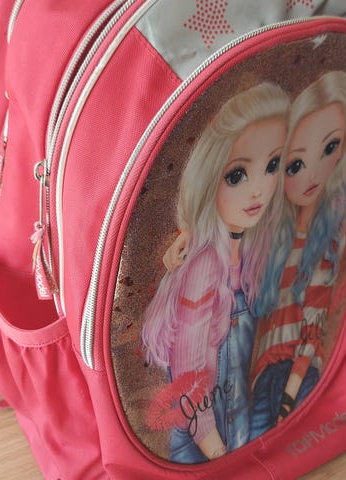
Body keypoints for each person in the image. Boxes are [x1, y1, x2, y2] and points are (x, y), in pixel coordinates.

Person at [142, 82, 290, 463]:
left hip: (236, 428)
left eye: (272, 166)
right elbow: (188, 373)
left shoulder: (251, 249)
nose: (258, 190)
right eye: (237, 175)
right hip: (204, 445)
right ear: (210, 176)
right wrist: (216, 450)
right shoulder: (204, 266)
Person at [249, 71, 346, 439]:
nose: (313, 174)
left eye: (330, 148)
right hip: (263, 379)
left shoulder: (327, 243)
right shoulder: (273, 238)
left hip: (296, 378)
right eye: (295, 165)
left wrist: (289, 398)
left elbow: (313, 331)